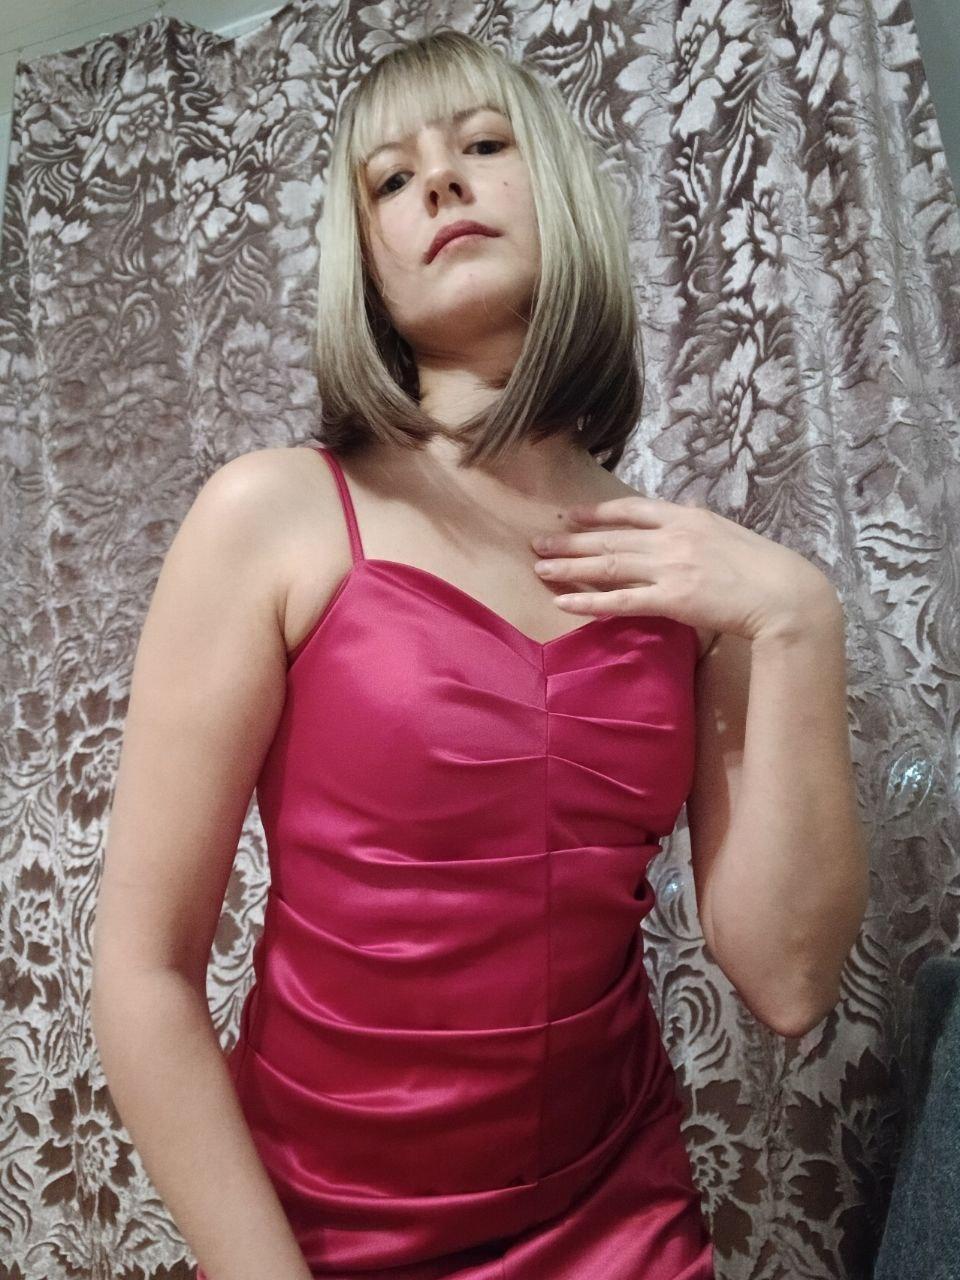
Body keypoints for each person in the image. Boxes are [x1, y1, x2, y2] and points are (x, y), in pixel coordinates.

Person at [92, 28, 719, 1280]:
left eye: (482, 144)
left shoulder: (683, 570)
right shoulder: (271, 514)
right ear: (365, 263)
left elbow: (795, 983)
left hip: (626, 1216)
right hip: (325, 1229)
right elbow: (144, 969)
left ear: (558, 188)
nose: (439, 180)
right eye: (390, 177)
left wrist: (798, 613)